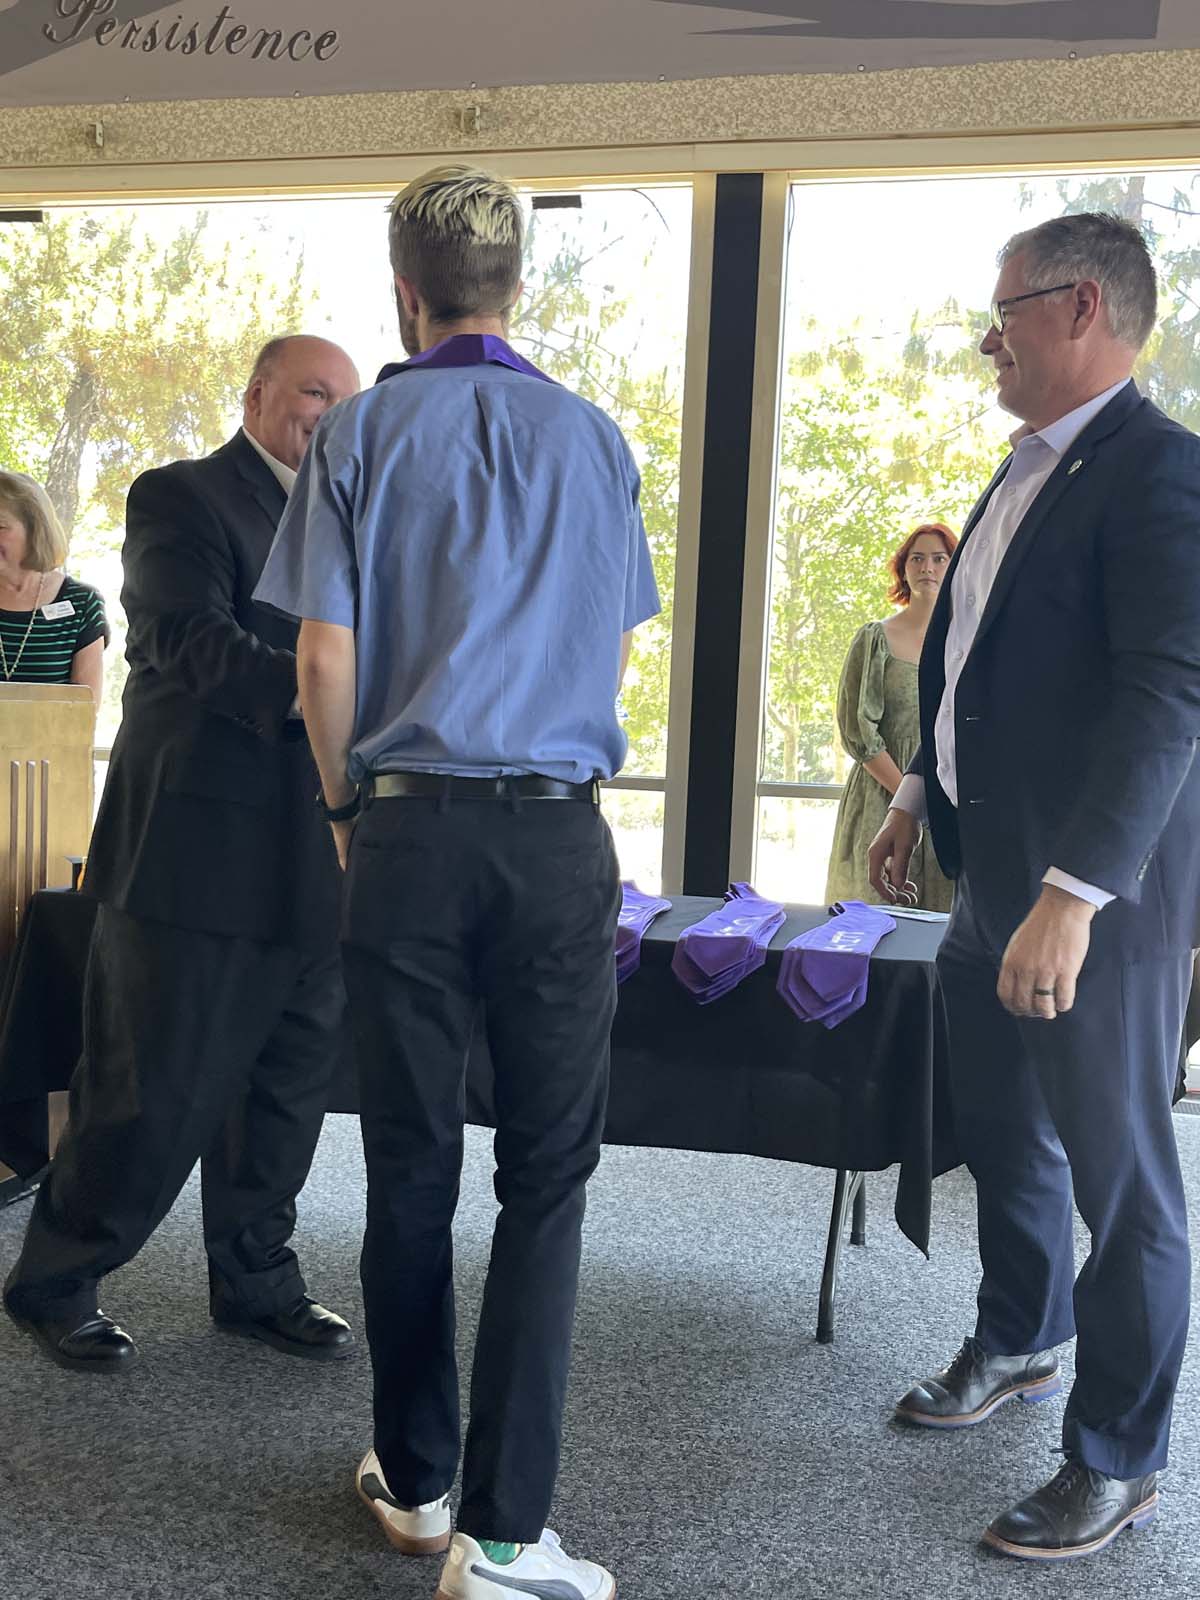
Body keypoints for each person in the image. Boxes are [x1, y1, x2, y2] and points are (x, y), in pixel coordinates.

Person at [254, 166, 658, 1600]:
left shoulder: (360, 430)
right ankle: (504, 1537)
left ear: (404, 295)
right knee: (546, 1177)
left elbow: (322, 659)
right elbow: (609, 644)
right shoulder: (594, 438)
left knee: (408, 1162)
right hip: (554, 837)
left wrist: (345, 813)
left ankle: (419, 1485)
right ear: (516, 289)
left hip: (407, 833)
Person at [868, 212, 1200, 1561]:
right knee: (1005, 1125)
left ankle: (1119, 1456)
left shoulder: (1163, 474)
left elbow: (1167, 696)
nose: (985, 339)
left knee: (1124, 1182)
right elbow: (970, 669)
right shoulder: (1023, 469)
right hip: (988, 878)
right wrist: (912, 798)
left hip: (1092, 903)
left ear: (1081, 308)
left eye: (1002, 312)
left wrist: (1074, 894)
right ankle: (1022, 1333)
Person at [3, 334, 361, 1371]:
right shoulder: (182, 497)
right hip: (193, 858)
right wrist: (337, 693)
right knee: (146, 1090)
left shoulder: (358, 519)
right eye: (312, 391)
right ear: (255, 396)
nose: (328, 413)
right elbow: (186, 641)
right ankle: (54, 1281)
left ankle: (256, 1281)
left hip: (321, 854)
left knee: (285, 1092)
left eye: (343, 400)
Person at [824, 522, 957, 910]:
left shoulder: (967, 641)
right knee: (874, 918)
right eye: (917, 558)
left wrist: (931, 801)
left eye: (939, 558)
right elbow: (858, 731)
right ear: (903, 568)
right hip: (880, 794)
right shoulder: (875, 638)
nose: (927, 567)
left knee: (940, 923)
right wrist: (908, 800)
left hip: (946, 794)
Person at [0, 470, 107, 703]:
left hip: (52, 729)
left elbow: (84, 709)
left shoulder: (81, 602)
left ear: (35, 530)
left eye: (0, 527)